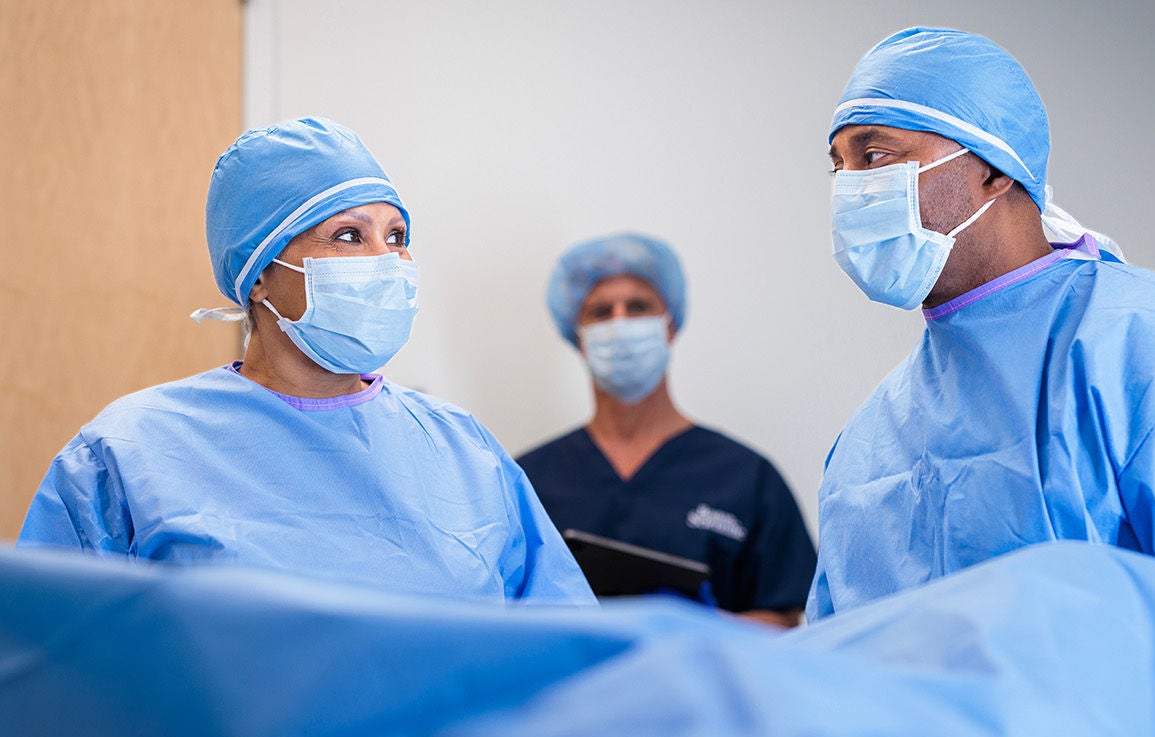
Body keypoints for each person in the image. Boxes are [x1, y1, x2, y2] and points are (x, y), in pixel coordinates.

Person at [810, 27, 1155, 737]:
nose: (849, 188)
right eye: (837, 166)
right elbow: (831, 678)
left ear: (994, 169)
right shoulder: (869, 439)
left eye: (874, 157)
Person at [18, 116, 594, 606]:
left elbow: (574, 660)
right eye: (347, 236)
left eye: (395, 237)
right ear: (260, 273)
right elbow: (47, 669)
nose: (386, 261)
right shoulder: (129, 455)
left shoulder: (465, 453)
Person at [516, 233, 817, 626]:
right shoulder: (528, 481)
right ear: (579, 337)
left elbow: (785, 620)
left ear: (670, 325)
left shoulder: (746, 478)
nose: (620, 323)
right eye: (601, 312)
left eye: (639, 307)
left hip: (702, 685)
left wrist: (686, 634)